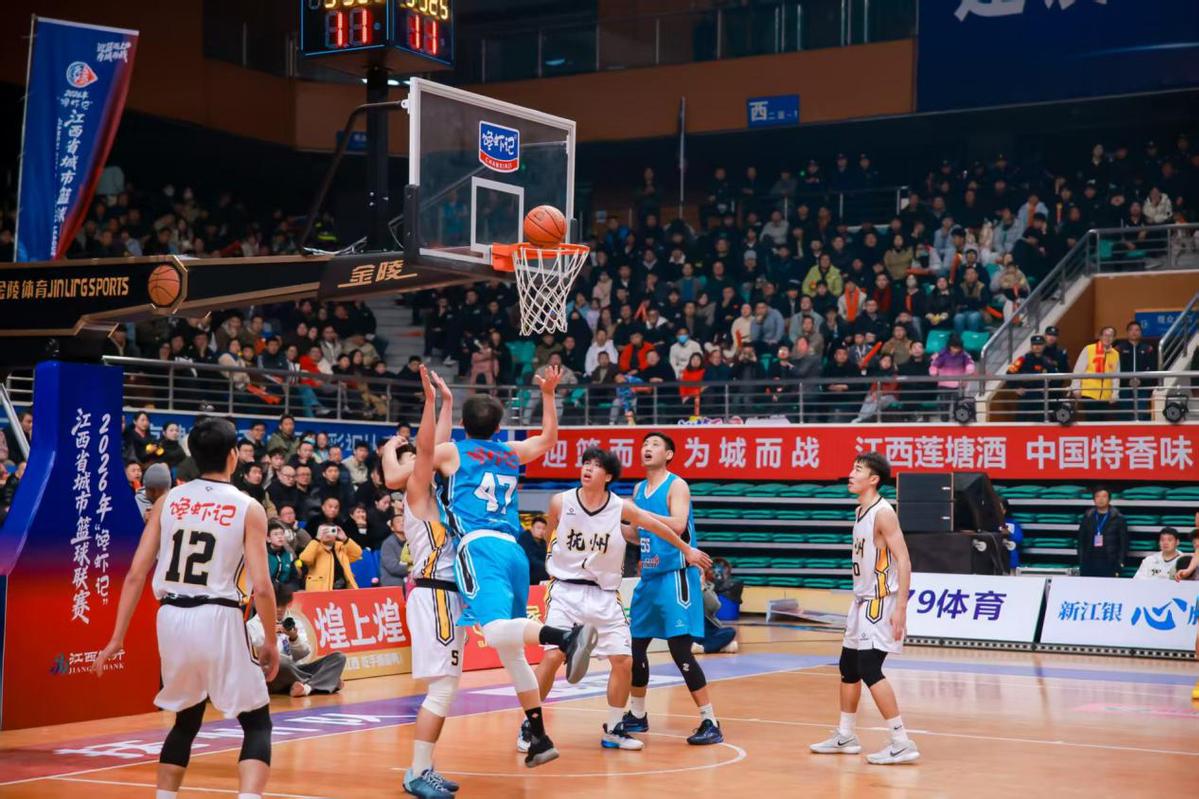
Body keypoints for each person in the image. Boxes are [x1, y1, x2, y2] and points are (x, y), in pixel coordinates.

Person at [400, 364, 599, 768]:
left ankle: (565, 637)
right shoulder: (510, 451)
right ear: (498, 427)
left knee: (492, 633)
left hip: (479, 547)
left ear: (463, 425)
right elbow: (549, 439)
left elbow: (419, 457)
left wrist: (432, 405)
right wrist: (548, 395)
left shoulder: (452, 452)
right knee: (513, 653)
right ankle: (539, 736)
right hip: (514, 550)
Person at [92, 416, 279, 799]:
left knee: (186, 719)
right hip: (219, 614)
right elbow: (262, 586)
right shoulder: (248, 507)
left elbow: (136, 574)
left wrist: (116, 637)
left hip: (171, 617)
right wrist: (271, 642)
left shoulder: (168, 501)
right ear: (233, 456)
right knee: (258, 722)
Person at [518, 447, 710, 754]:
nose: (587, 468)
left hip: (604, 595)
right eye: (585, 463)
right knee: (553, 657)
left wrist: (687, 550)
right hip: (566, 591)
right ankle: (531, 726)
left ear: (607, 476)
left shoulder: (622, 507)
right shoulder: (560, 502)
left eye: (595, 465)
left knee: (624, 661)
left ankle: (614, 727)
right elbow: (551, 536)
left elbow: (657, 527)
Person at [379, 374, 464, 799]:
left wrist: (446, 403)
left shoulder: (433, 496)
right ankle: (416, 772)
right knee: (443, 688)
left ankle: (425, 767)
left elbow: (436, 446)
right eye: (418, 457)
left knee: (444, 687)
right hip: (433, 594)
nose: (427, 459)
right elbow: (429, 447)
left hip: (443, 594)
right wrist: (430, 404)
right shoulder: (416, 490)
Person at [810, 452, 918, 765]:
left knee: (870, 669)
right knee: (849, 667)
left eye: (857, 470)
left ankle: (901, 741)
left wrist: (901, 607)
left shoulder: (883, 513)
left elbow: (904, 560)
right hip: (861, 601)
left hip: (880, 602)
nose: (851, 474)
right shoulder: (860, 510)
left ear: (873, 479)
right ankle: (846, 735)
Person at [623, 432, 724, 745]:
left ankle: (710, 720)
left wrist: (638, 514)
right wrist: (610, 522)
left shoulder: (676, 485)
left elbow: (678, 524)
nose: (647, 448)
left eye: (655, 445)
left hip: (676, 576)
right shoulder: (638, 489)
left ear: (668, 454)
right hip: (649, 578)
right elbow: (637, 535)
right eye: (645, 444)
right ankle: (637, 714)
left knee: (680, 650)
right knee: (635, 648)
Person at [246, 582, 346, 697]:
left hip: (296, 669)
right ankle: (325, 681)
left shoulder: (293, 622)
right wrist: (270, 634)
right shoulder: (252, 625)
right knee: (281, 662)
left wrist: (294, 638)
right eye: (276, 605)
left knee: (339, 657)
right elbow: (257, 657)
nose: (280, 609)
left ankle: (307, 688)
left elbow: (303, 653)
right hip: (273, 674)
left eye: (283, 605)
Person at [1076, 487, 1128, 577]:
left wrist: (1120, 563)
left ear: (1109, 499)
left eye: (1104, 496)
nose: (1101, 499)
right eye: (1098, 496)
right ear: (1094, 499)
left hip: (1110, 562)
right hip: (1089, 562)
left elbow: (1124, 543)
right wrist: (1081, 562)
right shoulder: (1087, 517)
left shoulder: (1118, 518)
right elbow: (1081, 541)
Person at [1072, 326, 1120, 421]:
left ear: (1114, 338)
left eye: (1110, 336)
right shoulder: (1089, 349)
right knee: (1092, 419)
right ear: (1100, 336)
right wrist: (1076, 388)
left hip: (1106, 395)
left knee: (1102, 422)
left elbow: (1116, 376)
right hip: (1089, 393)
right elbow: (1078, 370)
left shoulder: (1115, 354)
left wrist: (1115, 393)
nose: (1107, 338)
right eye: (1105, 335)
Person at [299, 522, 363, 591]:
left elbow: (357, 554)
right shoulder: (314, 547)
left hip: (344, 590)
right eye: (324, 531)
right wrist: (317, 539)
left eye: (331, 530)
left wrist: (345, 539)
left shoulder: (341, 547)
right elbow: (305, 559)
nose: (327, 534)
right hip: (321, 591)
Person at [1006, 335, 1056, 422]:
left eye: (1040, 344)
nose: (1037, 346)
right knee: (1021, 422)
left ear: (1044, 346)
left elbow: (1055, 377)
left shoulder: (1047, 361)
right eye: (1035, 344)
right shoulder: (1022, 359)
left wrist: (1048, 387)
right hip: (1025, 395)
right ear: (1031, 346)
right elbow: (1009, 373)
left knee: (1041, 422)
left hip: (1041, 396)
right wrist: (1015, 387)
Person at [1116, 320, 1157, 421]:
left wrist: (1140, 380)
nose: (1134, 332)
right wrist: (1127, 380)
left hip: (1142, 387)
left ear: (1141, 332)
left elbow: (1152, 368)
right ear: (1127, 332)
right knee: (1124, 415)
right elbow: (1115, 368)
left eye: (1137, 330)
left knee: (1142, 414)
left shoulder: (1148, 348)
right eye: (1131, 330)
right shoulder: (1119, 348)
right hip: (1124, 387)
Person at [517, 516, 550, 585]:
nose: (541, 531)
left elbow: (546, 557)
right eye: (538, 528)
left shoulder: (543, 543)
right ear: (532, 528)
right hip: (526, 576)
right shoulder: (524, 538)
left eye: (543, 529)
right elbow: (530, 559)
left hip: (539, 576)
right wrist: (547, 567)